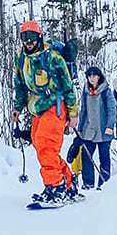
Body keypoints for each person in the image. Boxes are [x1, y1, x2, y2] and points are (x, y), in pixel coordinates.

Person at [12, 19, 78, 204]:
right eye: (24, 37)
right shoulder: (22, 58)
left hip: (54, 106)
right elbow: (19, 85)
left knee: (46, 145)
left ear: (39, 37)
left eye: (32, 37)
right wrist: (17, 107)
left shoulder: (53, 58)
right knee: (40, 145)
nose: (28, 41)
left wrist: (73, 113)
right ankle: (68, 184)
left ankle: (55, 186)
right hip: (37, 109)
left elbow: (68, 86)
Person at [73, 66, 117, 187]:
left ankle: (104, 182)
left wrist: (110, 126)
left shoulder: (106, 91)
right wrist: (80, 128)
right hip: (89, 130)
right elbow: (83, 111)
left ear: (99, 77)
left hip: (103, 130)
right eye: (89, 76)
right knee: (86, 156)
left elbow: (112, 110)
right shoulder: (86, 91)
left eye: (94, 76)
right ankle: (88, 182)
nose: (92, 78)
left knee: (104, 158)